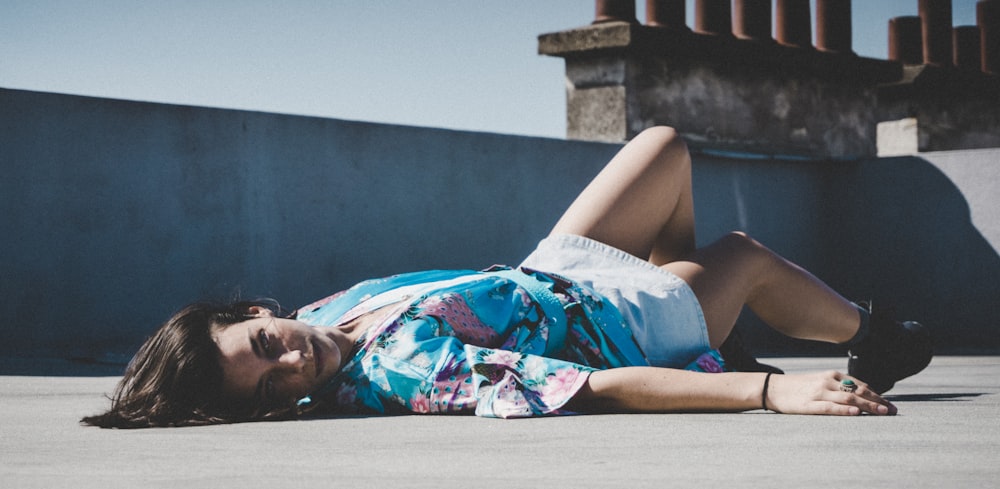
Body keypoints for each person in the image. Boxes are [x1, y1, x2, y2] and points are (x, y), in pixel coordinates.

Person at [81, 126, 932, 428]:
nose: (292, 363)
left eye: (264, 344)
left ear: (255, 311)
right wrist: (766, 395)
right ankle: (872, 336)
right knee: (741, 253)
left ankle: (720, 337)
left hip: (551, 267)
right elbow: (586, 388)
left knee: (665, 147)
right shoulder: (405, 372)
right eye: (272, 389)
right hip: (620, 323)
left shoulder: (324, 311)